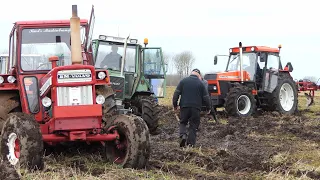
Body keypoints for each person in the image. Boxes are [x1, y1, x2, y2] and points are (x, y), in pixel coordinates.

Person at [172, 68, 211, 147]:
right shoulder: (201, 84)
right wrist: (208, 108)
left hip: (184, 107)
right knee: (193, 126)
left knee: (183, 122)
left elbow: (176, 94)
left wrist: (175, 105)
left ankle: (183, 135)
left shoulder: (183, 81)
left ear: (191, 73)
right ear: (199, 75)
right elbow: (206, 97)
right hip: (196, 108)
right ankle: (190, 144)